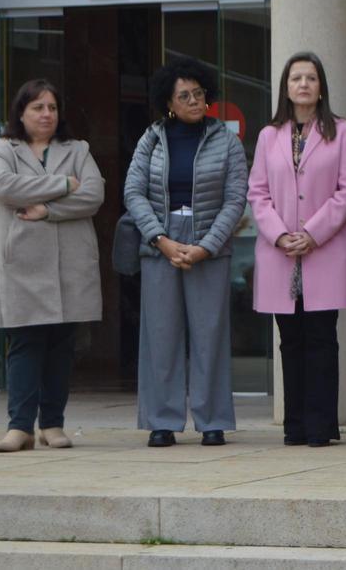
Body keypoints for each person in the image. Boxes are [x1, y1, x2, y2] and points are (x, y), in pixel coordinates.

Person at [125, 56, 247, 448]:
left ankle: (213, 421)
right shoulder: (151, 139)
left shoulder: (226, 140)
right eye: (184, 96)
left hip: (208, 242)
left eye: (199, 93)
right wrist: (160, 239)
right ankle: (162, 421)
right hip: (161, 242)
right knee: (161, 334)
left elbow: (235, 199)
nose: (195, 101)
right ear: (169, 103)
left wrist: (205, 247)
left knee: (210, 334)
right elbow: (133, 193)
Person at [0, 79, 104, 453]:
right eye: (37, 107)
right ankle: (19, 427)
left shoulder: (77, 149)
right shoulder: (2, 148)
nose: (46, 114)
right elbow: (1, 187)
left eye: (51, 107)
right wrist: (64, 184)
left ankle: (52, 424)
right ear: (21, 112)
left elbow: (94, 193)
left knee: (60, 346)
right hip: (20, 263)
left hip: (69, 264)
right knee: (25, 343)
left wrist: (47, 210)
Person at [249, 52, 346, 448]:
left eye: (310, 78)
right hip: (280, 253)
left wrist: (313, 233)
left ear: (321, 87)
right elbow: (258, 194)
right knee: (289, 341)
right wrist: (280, 235)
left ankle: (321, 426)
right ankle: (294, 424)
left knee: (321, 340)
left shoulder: (341, 132)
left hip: (324, 250)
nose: (303, 84)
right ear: (286, 87)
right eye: (296, 78)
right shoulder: (269, 135)